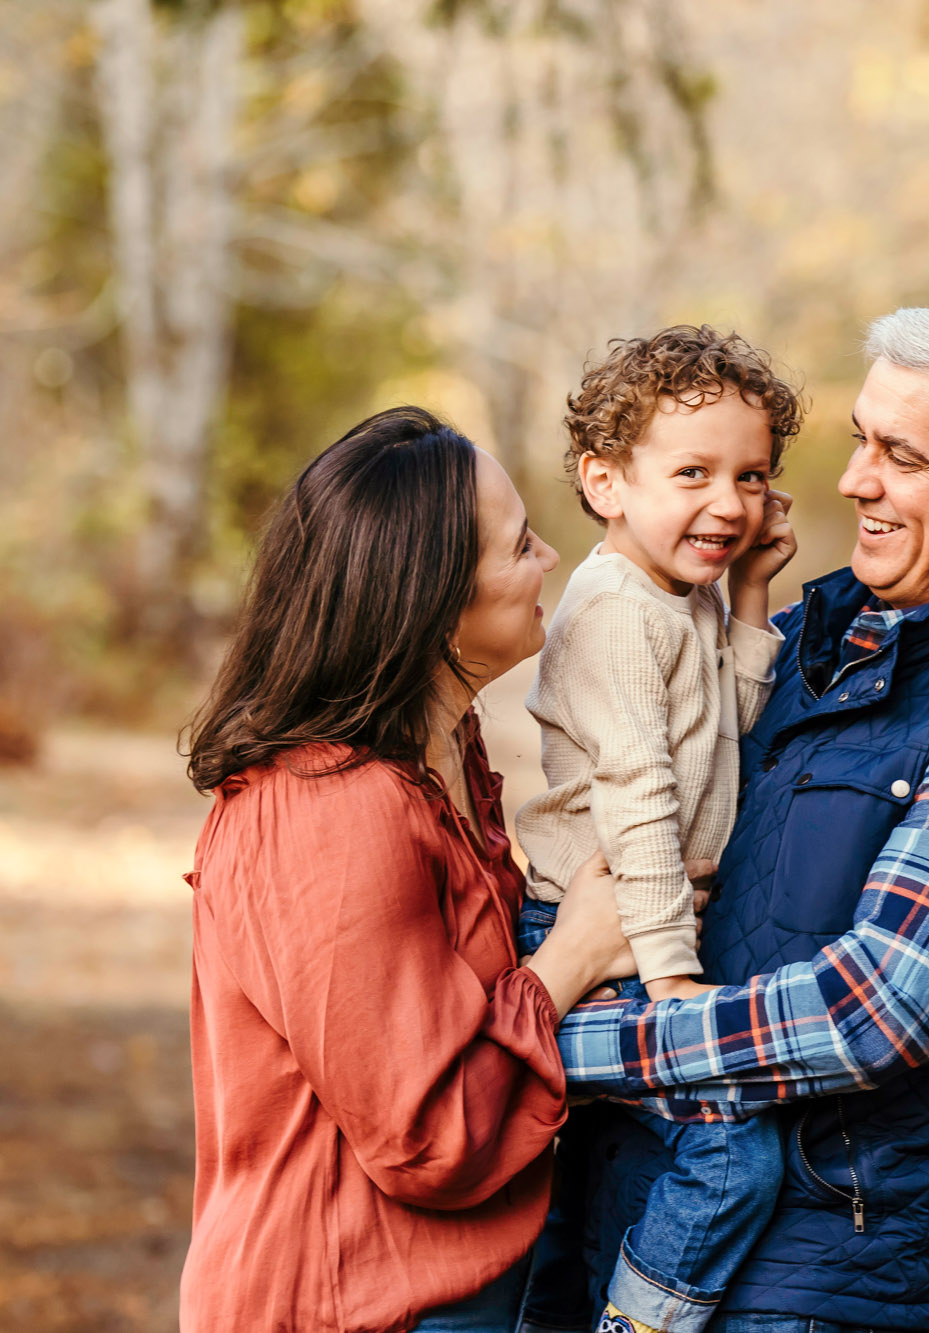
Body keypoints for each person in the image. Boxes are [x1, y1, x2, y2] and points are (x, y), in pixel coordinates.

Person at [555, 301, 929, 1332]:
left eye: (901, 456)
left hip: (805, 1285)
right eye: (857, 441)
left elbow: (870, 1012)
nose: (852, 481)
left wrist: (552, 1039)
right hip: (622, 1228)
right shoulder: (807, 638)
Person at [176, 407, 639, 1333]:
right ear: (431, 602)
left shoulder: (442, 760)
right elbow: (424, 1132)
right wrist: (573, 958)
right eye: (518, 546)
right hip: (341, 1304)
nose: (549, 556)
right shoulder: (329, 810)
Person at [511, 328, 801, 1333]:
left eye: (751, 474)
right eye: (692, 472)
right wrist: (671, 973)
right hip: (604, 933)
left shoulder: (685, 599)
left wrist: (752, 595)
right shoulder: (616, 613)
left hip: (651, 925)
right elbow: (636, 792)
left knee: (591, 1172)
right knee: (730, 1153)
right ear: (605, 482)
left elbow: (733, 730)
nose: (728, 502)